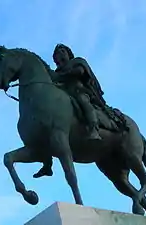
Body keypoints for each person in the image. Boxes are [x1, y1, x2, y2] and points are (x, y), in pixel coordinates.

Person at [33, 43, 106, 178]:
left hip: (79, 91)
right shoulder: (57, 72)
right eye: (56, 54)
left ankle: (94, 129)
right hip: (64, 95)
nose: (59, 55)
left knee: (84, 102)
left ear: (68, 53)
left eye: (62, 51)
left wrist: (65, 74)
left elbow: (80, 72)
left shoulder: (77, 62)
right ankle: (46, 162)